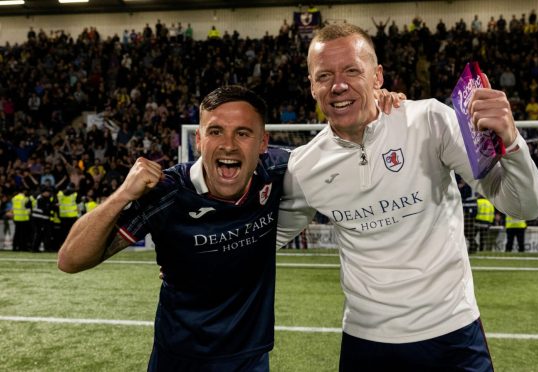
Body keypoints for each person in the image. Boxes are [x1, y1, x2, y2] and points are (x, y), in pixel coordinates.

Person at [57, 85, 404, 370]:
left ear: (263, 143)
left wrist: (384, 115)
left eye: (243, 133)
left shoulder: (282, 170)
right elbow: (70, 260)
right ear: (198, 141)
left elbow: (353, 155)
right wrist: (122, 194)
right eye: (216, 131)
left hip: (250, 359)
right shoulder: (167, 193)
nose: (228, 145)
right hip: (178, 359)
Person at [277, 23, 538, 371]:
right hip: (366, 341)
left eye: (352, 71)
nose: (338, 85)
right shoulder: (305, 167)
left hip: (453, 332)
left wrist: (512, 142)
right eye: (324, 75)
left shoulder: (429, 121)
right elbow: (262, 240)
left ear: (377, 76)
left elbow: (523, 206)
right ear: (312, 86)